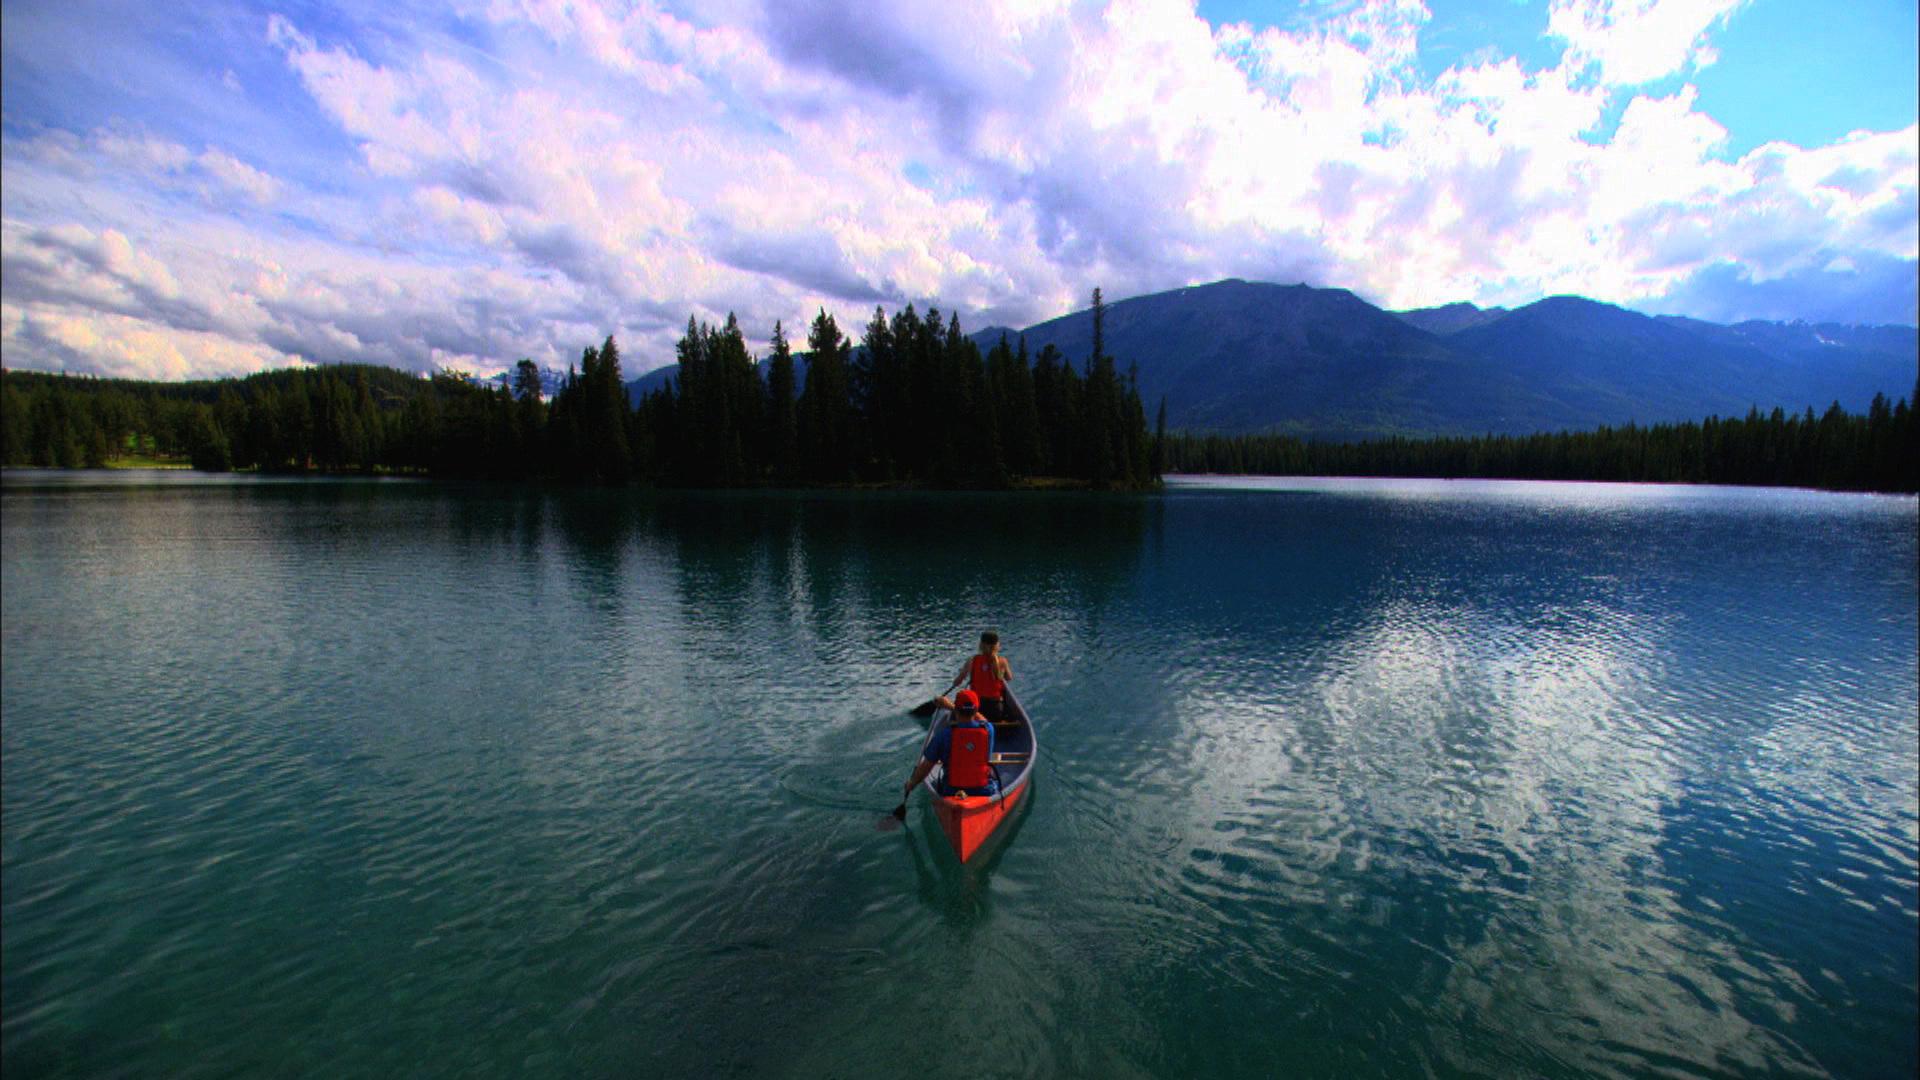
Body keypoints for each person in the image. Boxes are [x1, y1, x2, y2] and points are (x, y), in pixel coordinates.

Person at [902, 689, 999, 798]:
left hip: (951, 791)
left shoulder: (943, 735)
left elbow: (926, 767)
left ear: (956, 711)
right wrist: (951, 706)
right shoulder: (989, 730)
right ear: (976, 709)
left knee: (937, 781)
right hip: (983, 790)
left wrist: (911, 784)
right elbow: (983, 720)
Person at [948, 631, 1014, 725]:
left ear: (981, 645)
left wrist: (956, 682)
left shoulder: (972, 660)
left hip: (975, 708)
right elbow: (1009, 678)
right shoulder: (1002, 661)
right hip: (996, 709)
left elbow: (958, 681)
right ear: (997, 645)